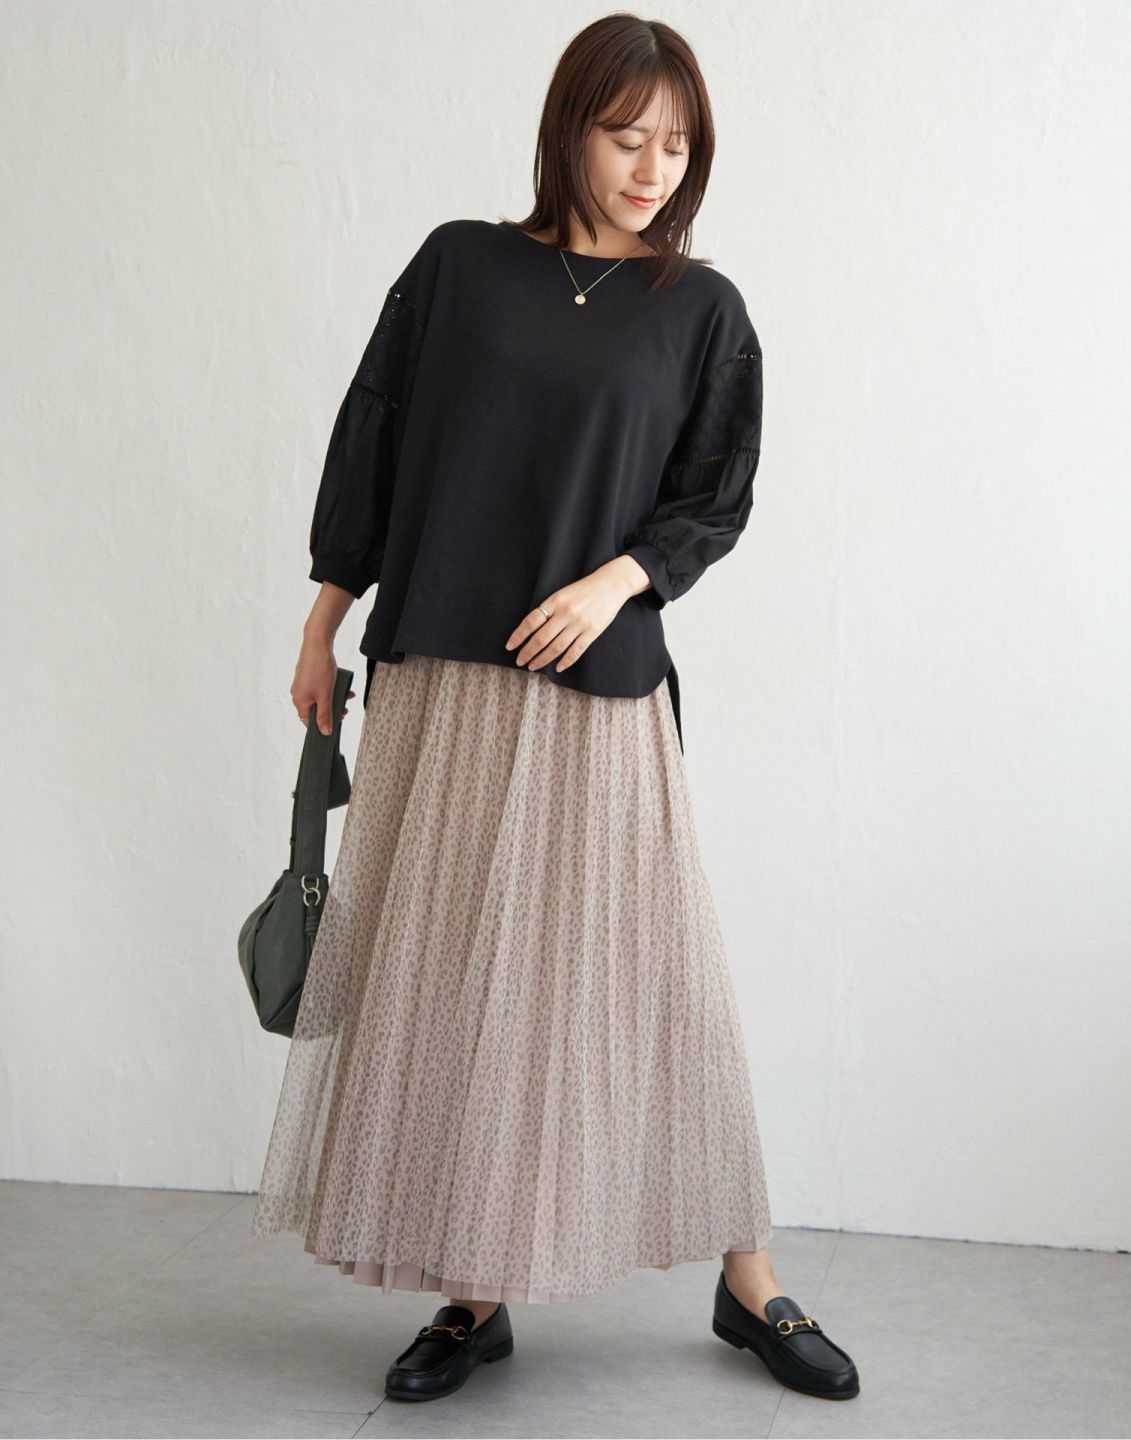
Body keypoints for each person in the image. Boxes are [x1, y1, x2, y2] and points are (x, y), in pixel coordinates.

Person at [250, 12, 860, 1407]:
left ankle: (749, 1279)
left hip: (596, 686)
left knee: (660, 981)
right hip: (443, 675)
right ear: (568, 127)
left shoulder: (702, 312)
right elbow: (375, 433)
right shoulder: (460, 267)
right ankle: (476, 1297)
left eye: (677, 147)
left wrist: (618, 581)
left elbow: (714, 498)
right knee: (458, 987)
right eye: (627, 136)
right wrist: (325, 616)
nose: (653, 169)